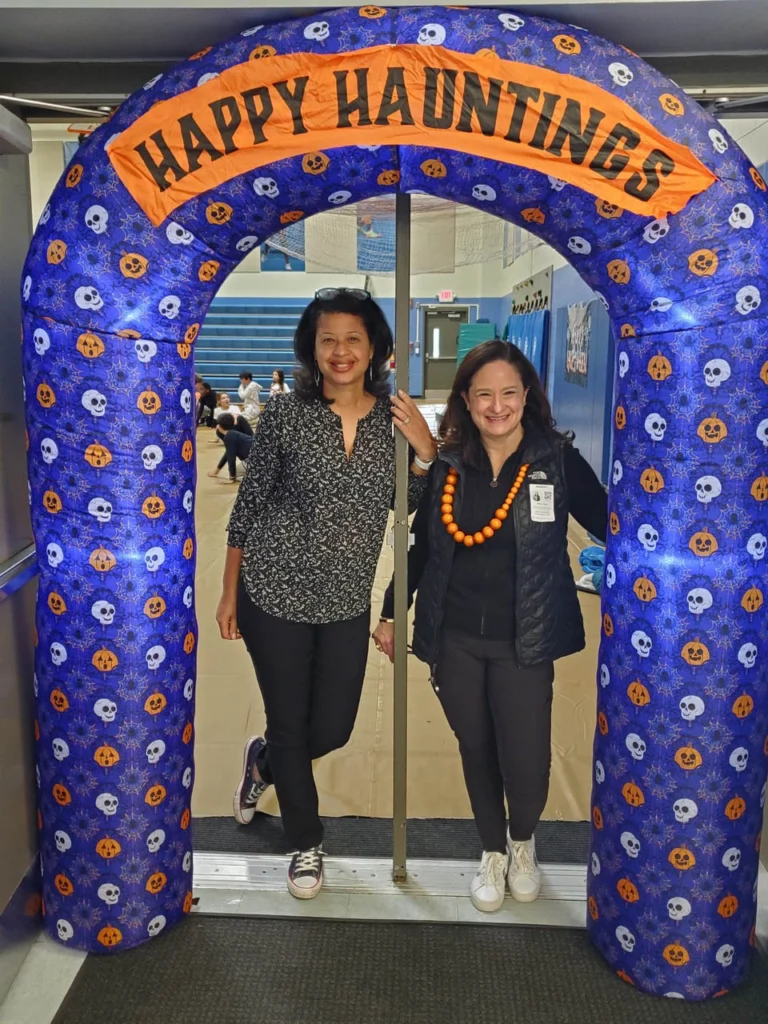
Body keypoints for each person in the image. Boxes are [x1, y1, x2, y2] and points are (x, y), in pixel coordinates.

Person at [216, 287, 436, 899]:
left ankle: (263, 764)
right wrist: (229, 591)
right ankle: (305, 844)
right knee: (292, 725)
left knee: (331, 729)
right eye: (328, 339)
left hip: (344, 603)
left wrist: (424, 455)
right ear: (312, 349)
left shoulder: (394, 421)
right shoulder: (286, 416)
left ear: (375, 348)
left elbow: (406, 508)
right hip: (273, 596)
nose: (341, 351)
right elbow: (248, 508)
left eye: (353, 339)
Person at [373, 340, 608, 913]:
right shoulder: (450, 463)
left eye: (508, 393)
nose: (497, 406)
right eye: (484, 394)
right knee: (475, 748)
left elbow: (612, 522)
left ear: (526, 396)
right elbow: (421, 544)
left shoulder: (557, 459)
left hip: (525, 639)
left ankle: (522, 841)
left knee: (525, 761)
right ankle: (491, 852)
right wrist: (389, 610)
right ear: (466, 401)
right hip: (454, 637)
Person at [208, 413, 254, 483]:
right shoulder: (233, 434)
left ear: (219, 427)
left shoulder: (229, 437)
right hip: (258, 456)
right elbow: (229, 453)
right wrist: (217, 470)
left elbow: (231, 459)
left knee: (236, 474)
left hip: (253, 459)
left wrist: (232, 478)